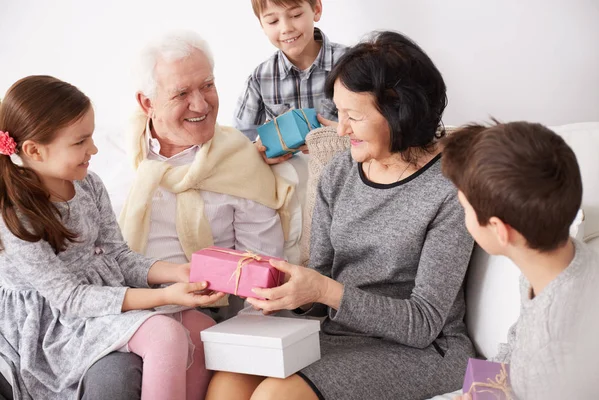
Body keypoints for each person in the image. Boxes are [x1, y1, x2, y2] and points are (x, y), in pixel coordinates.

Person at [206, 31, 476, 400]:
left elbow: (424, 323)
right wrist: (291, 292)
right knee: (227, 384)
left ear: (399, 112)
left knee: (274, 396)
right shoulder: (339, 172)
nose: (342, 128)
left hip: (424, 350)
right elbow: (320, 284)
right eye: (339, 112)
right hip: (340, 336)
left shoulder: (448, 190)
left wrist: (325, 291)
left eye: (354, 116)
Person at [0, 75, 225, 400]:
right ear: (34, 150)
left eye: (90, 137)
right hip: (56, 320)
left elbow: (119, 256)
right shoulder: (17, 216)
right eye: (80, 142)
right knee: (164, 334)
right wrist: (165, 296)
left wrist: (178, 272)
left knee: (201, 329)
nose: (93, 149)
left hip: (103, 296)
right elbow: (71, 300)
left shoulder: (88, 184)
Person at [119, 30, 294, 322]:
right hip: (114, 310)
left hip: (200, 315)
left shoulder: (240, 160)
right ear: (147, 103)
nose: (201, 105)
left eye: (207, 86)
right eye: (181, 94)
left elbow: (262, 277)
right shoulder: (104, 155)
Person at [442, 122, 599, 400]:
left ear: (499, 230)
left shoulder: (555, 349)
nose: (462, 216)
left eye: (464, 208)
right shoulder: (558, 260)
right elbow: (519, 338)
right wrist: (485, 388)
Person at [233, 0, 347, 164]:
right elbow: (238, 141)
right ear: (262, 25)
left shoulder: (351, 64)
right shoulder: (260, 78)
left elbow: (379, 124)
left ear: (316, 10)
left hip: (346, 170)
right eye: (273, 21)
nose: (286, 28)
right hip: (291, 179)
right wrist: (257, 152)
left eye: (295, 15)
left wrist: (344, 137)